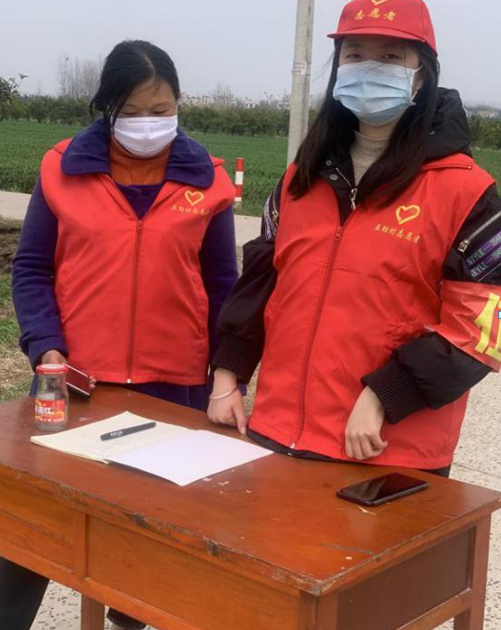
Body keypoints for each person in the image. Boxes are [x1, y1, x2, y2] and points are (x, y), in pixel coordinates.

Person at [209, 0, 501, 476]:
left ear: (422, 74)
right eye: (355, 54)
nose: (369, 68)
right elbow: (261, 280)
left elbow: (482, 330)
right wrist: (229, 373)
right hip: (278, 430)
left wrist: (387, 393)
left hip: (388, 449)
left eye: (390, 57)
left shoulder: (467, 193)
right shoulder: (299, 179)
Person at [8, 40, 238, 630]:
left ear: (179, 104)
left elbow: (222, 286)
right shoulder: (62, 169)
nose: (148, 123)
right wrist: (45, 345)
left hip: (175, 390)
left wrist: (227, 375)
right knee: (30, 530)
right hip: (76, 385)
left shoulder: (209, 180)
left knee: (152, 542)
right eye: (133, 111)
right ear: (107, 107)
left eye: (162, 110)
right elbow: (31, 268)